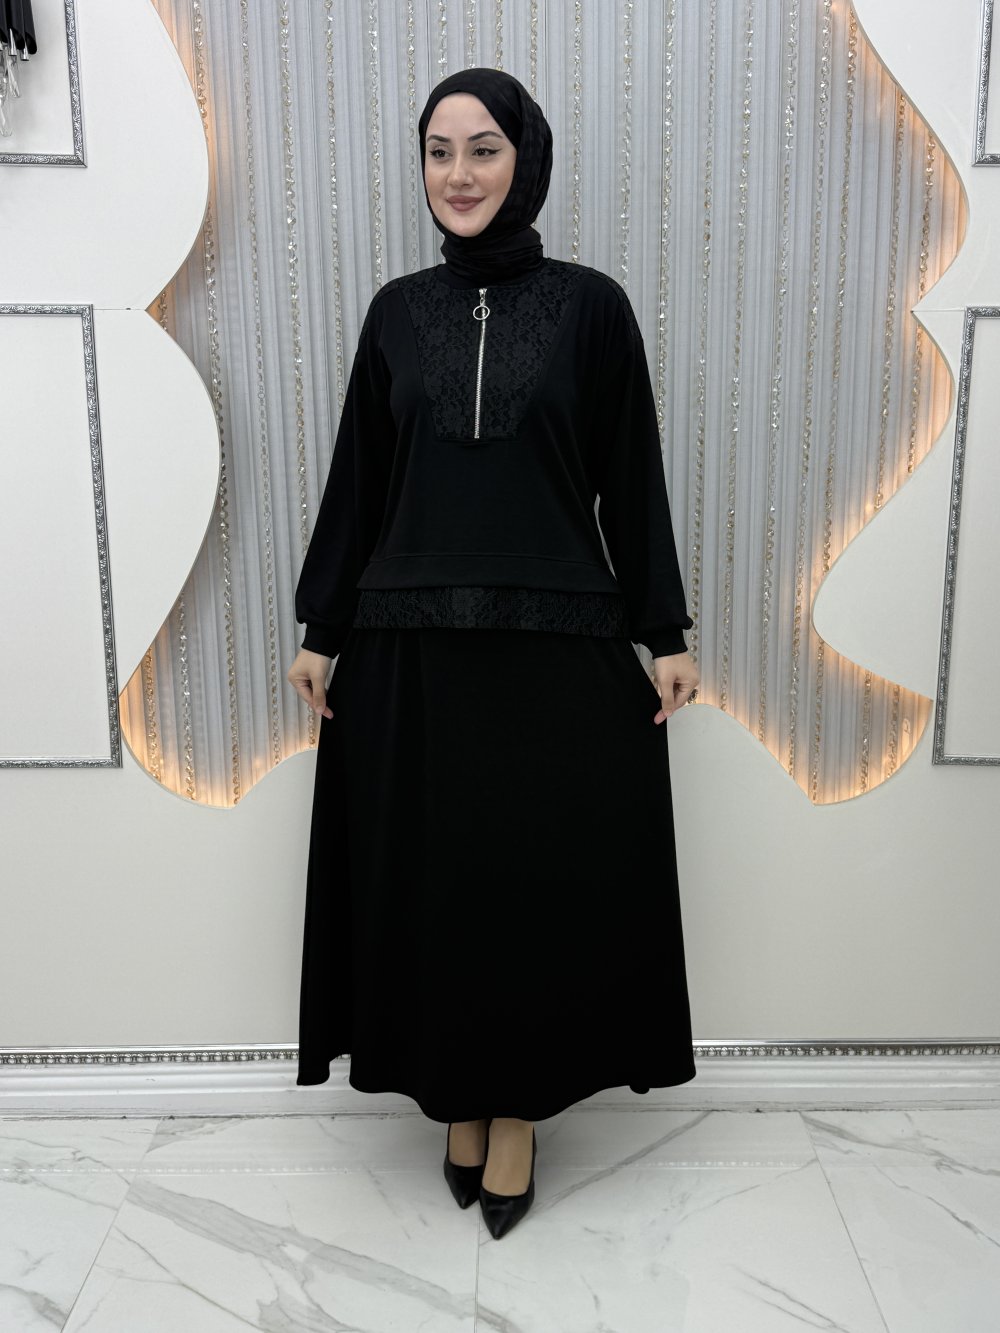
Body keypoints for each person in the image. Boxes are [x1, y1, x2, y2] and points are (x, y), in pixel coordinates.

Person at [286, 67, 699, 1240]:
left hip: (554, 650)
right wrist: (322, 628)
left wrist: (663, 631)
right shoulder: (394, 313)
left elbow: (631, 475)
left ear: (526, 161)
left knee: (531, 888)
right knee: (436, 887)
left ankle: (513, 1110)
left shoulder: (592, 308)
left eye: (482, 149)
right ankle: (457, 1098)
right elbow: (361, 481)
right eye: (438, 151)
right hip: (410, 650)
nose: (457, 174)